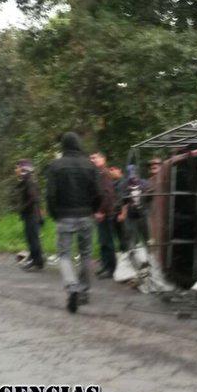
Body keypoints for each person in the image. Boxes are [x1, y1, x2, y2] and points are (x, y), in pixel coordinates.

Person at [47, 133, 101, 313]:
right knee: (86, 254)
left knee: (64, 255)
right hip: (86, 214)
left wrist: (55, 214)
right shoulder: (90, 165)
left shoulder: (55, 166)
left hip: (64, 216)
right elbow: (98, 193)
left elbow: (51, 195)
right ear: (79, 145)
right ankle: (84, 291)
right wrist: (93, 210)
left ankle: (72, 287)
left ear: (63, 146)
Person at [90, 151, 118, 279]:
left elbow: (107, 195)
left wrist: (101, 211)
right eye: (91, 158)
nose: (92, 160)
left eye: (95, 158)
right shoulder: (97, 174)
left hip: (106, 213)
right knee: (102, 241)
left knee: (107, 242)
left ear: (103, 159)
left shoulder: (105, 174)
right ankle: (105, 266)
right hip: (100, 213)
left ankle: (111, 269)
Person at [15, 159, 44, 271]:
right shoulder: (26, 181)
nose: (15, 170)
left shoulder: (29, 181)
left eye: (17, 167)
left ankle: (38, 262)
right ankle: (35, 259)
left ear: (23, 169)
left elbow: (34, 198)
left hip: (32, 215)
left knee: (33, 239)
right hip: (30, 214)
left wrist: (23, 207)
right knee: (31, 238)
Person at [108, 164, 129, 252]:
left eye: (112, 169)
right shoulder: (114, 183)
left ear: (119, 170)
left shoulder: (124, 182)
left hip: (122, 214)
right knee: (119, 237)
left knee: (124, 237)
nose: (111, 172)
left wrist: (123, 213)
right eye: (110, 170)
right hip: (115, 213)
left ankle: (127, 253)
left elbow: (126, 199)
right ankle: (123, 253)